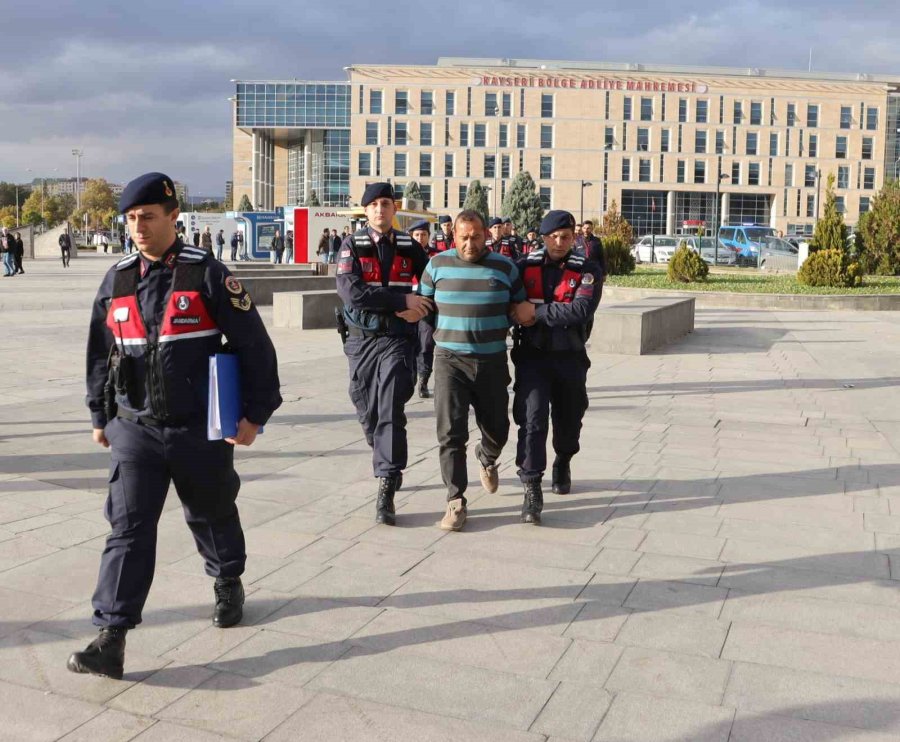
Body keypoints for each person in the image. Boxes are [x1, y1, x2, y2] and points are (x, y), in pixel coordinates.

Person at [67, 172, 282, 681]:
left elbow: (254, 345)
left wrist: (255, 413)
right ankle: (111, 637)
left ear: (172, 217)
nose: (138, 227)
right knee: (128, 528)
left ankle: (228, 578)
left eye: (148, 217)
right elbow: (101, 353)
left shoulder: (207, 273)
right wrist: (101, 415)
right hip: (135, 428)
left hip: (198, 428)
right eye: (131, 218)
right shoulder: (117, 278)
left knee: (209, 511)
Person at [418, 210, 527, 532]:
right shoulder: (437, 265)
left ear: (486, 235)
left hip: (492, 360)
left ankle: (487, 457)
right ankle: (455, 500)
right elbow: (424, 305)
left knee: (498, 429)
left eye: (476, 236)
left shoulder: (505, 267)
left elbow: (518, 307)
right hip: (449, 360)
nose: (470, 243)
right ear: (455, 237)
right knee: (450, 433)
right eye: (463, 237)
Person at [336, 182, 430, 526]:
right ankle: (383, 451)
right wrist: (401, 299)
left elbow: (430, 282)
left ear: (395, 209)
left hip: (397, 339)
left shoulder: (409, 246)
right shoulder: (351, 245)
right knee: (365, 405)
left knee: (390, 403)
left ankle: (387, 483)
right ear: (366, 210)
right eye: (373, 204)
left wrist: (423, 308)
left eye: (386, 204)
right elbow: (353, 293)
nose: (380, 210)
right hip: (361, 340)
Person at [510, 210, 603, 524]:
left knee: (569, 417)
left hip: (570, 356)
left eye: (566, 236)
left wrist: (535, 312)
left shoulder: (587, 270)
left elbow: (580, 309)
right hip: (533, 356)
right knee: (532, 420)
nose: (560, 242)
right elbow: (512, 306)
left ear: (574, 236)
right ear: (543, 236)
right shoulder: (524, 266)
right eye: (554, 236)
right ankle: (532, 486)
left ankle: (563, 459)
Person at [408, 220, 435, 398]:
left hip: (427, 305)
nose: (420, 238)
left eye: (423, 234)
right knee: (409, 344)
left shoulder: (436, 256)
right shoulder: (404, 253)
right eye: (416, 235)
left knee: (426, 345)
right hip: (408, 304)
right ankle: (411, 378)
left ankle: (423, 380)